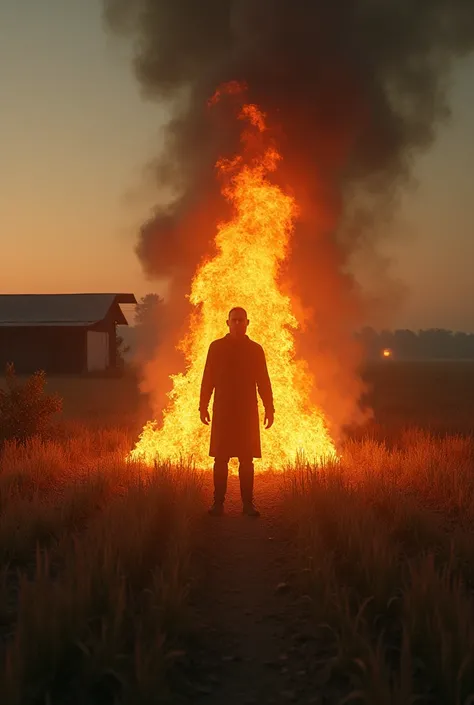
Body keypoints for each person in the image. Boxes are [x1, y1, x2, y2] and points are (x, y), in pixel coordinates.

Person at [199, 307, 274, 517]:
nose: (238, 324)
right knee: (220, 459)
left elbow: (263, 381)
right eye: (234, 320)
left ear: (248, 323)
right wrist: (202, 405)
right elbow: (208, 379)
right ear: (227, 322)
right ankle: (218, 503)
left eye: (242, 320)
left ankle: (248, 505)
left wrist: (269, 408)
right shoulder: (216, 348)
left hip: (247, 412)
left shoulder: (255, 350)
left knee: (246, 459)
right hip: (223, 410)